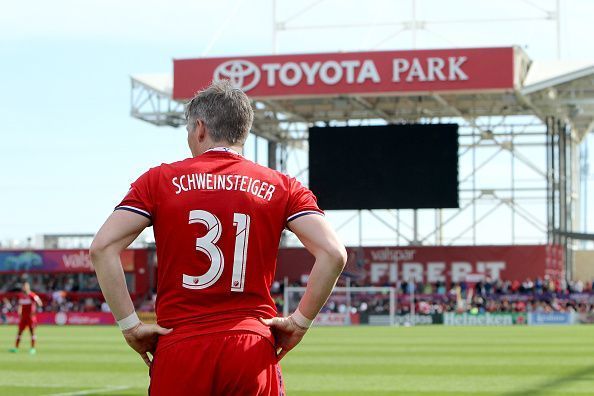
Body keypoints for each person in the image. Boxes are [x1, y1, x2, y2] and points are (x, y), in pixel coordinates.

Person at [90, 80, 347, 395]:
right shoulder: (282, 186)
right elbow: (334, 253)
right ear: (244, 131)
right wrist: (300, 322)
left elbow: (102, 248)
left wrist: (130, 326)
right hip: (250, 349)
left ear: (199, 129)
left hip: (179, 347)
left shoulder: (158, 181)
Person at [9, 282, 43, 354]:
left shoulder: (32, 295)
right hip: (23, 318)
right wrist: (19, 311)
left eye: (26, 286)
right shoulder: (21, 296)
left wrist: (34, 311)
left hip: (30, 318)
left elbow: (40, 303)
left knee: (32, 332)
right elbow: (20, 305)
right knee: (19, 332)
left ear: (28, 287)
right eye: (24, 286)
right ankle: (16, 348)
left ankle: (33, 349)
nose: (24, 288)